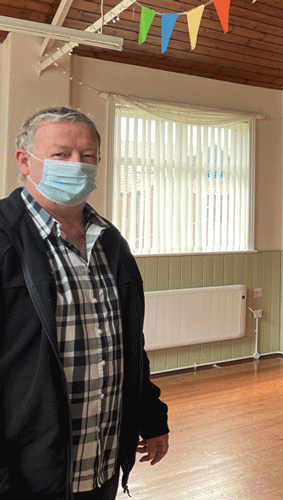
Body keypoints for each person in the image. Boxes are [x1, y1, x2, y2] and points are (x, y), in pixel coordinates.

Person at [0, 107, 169, 499]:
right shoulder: (5, 239)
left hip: (101, 463)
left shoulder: (111, 243)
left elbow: (127, 344)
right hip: (27, 476)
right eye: (61, 154)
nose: (77, 165)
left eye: (88, 155)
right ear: (24, 161)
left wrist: (151, 416)